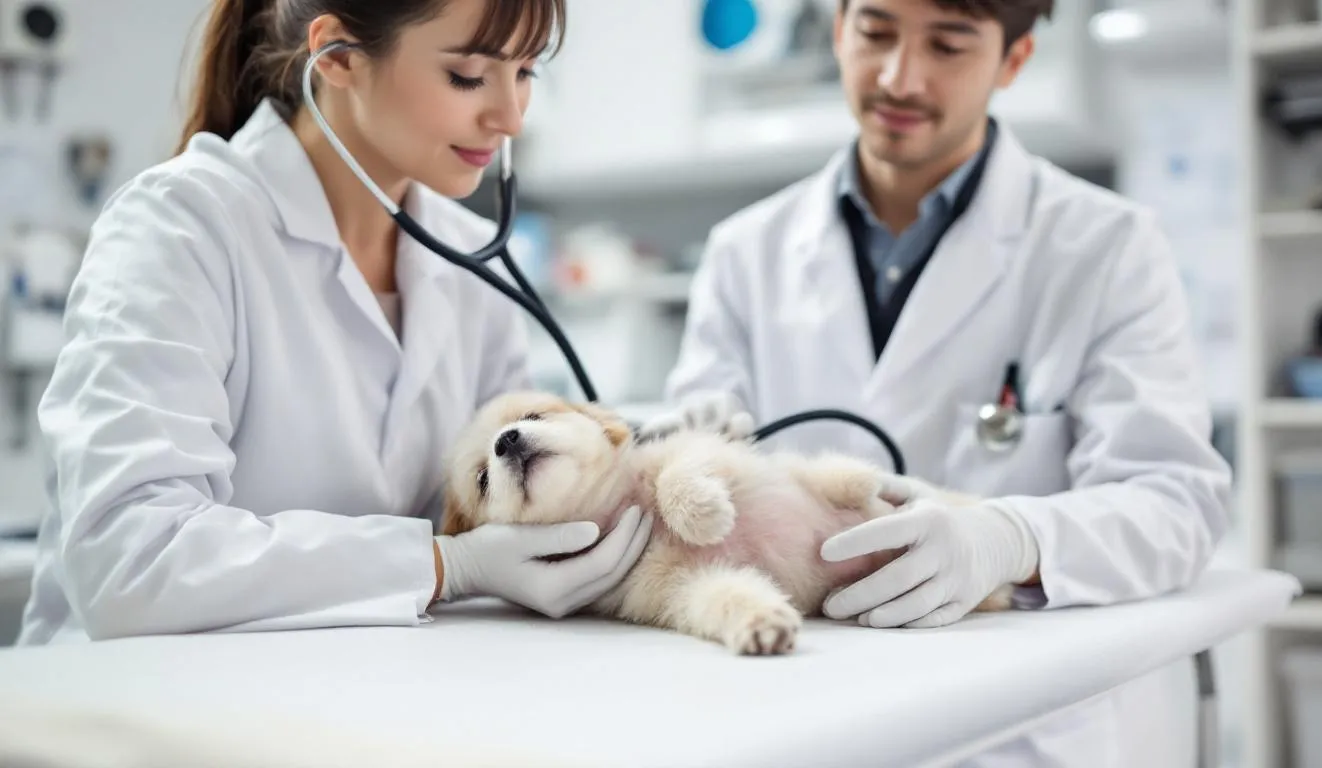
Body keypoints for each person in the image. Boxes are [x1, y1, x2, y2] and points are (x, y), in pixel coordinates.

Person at [654, 0, 1232, 764]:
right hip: (799, 710)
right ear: (838, 29)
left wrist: (1011, 539)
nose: (900, 76)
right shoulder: (743, 252)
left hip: (1018, 725)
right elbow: (694, 484)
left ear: (1013, 60)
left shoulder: (1108, 246)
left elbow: (1175, 503)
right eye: (876, 32)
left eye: (949, 45)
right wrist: (687, 448)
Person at [17, 0, 656, 645]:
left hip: (353, 693)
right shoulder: (180, 226)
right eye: (468, 75)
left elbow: (510, 502)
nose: (511, 116)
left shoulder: (467, 256)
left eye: (525, 73)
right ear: (341, 57)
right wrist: (442, 565)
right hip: (128, 713)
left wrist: (655, 454)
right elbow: (130, 559)